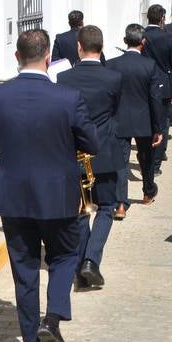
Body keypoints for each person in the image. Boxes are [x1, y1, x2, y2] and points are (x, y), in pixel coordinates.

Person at [0, 29, 99, 342]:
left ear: (16, 57)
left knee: (25, 267)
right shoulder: (68, 97)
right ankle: (53, 320)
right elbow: (91, 143)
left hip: (13, 197)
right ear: (48, 58)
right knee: (64, 256)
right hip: (58, 195)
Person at [57, 25, 123, 291]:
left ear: (78, 48)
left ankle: (83, 266)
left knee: (80, 211)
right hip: (104, 150)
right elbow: (114, 112)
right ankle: (91, 261)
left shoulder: (63, 79)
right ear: (102, 48)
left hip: (73, 152)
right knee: (106, 207)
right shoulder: (114, 78)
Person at [107, 24, 166, 208]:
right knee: (146, 157)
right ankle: (148, 192)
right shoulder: (149, 65)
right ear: (143, 42)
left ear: (125, 41)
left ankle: (120, 204)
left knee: (121, 162)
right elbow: (155, 99)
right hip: (144, 121)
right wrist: (158, 127)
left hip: (119, 119)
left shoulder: (111, 64)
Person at [142, 4, 172, 168]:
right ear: (162, 19)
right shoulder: (170, 37)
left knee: (148, 121)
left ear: (148, 18)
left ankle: (148, 157)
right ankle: (157, 161)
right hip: (164, 85)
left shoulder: (142, 36)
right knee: (164, 122)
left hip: (145, 84)